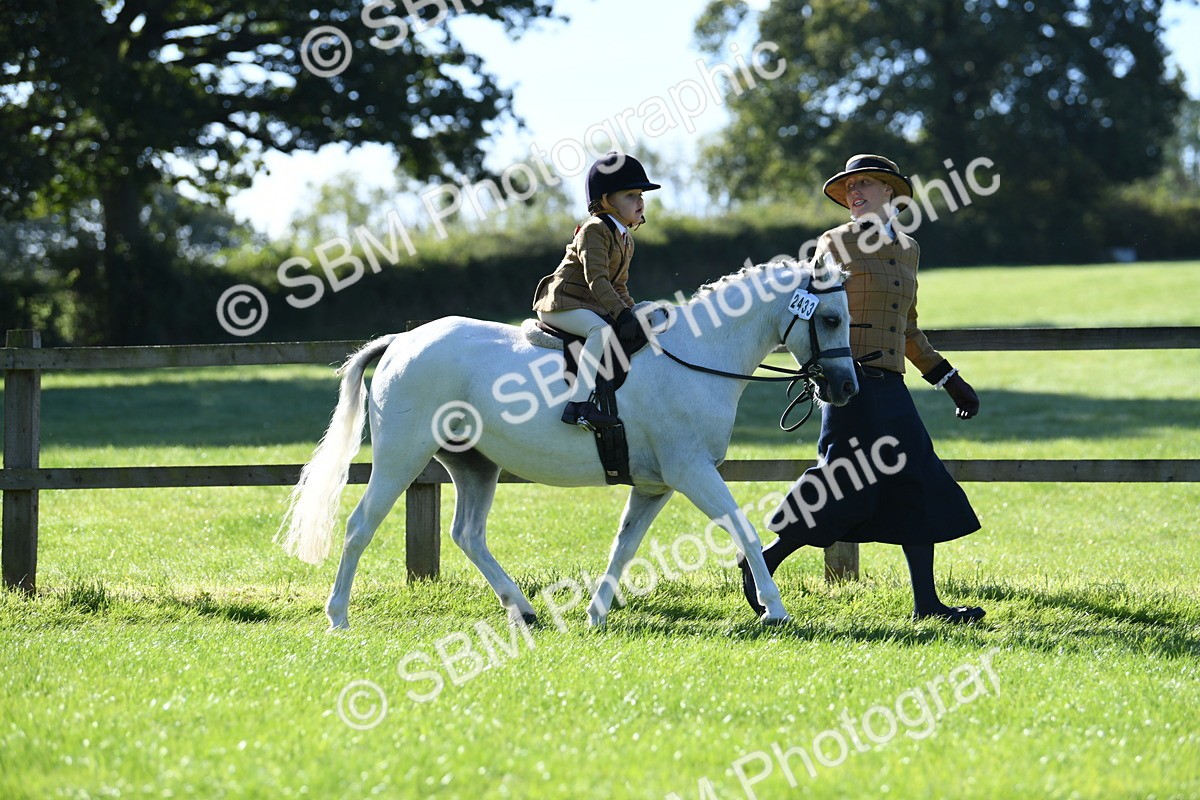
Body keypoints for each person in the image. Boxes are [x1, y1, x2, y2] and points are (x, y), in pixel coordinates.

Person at [739, 154, 986, 623]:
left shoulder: (909, 249)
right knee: (844, 482)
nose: (854, 193)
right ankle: (764, 561)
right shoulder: (834, 242)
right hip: (848, 386)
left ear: (889, 191)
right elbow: (806, 307)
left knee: (918, 482)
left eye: (865, 184)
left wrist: (949, 379)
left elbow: (907, 327)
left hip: (892, 387)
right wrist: (818, 365)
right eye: (850, 187)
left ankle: (927, 605)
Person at [532, 151, 660, 430]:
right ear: (605, 201)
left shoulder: (625, 239)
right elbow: (598, 280)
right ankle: (578, 406)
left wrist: (631, 313)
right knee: (600, 331)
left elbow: (619, 285)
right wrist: (621, 315)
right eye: (630, 195)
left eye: (641, 195)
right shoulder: (594, 229)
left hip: (585, 305)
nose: (640, 201)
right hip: (561, 304)